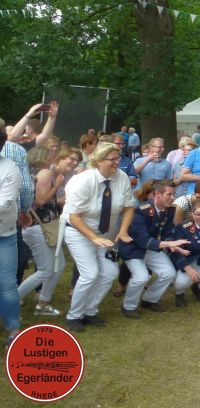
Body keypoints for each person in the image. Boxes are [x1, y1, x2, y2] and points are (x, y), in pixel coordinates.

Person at [63, 141, 135, 332]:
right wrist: (93, 238)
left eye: (118, 158)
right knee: (90, 273)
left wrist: (122, 231)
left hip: (105, 234)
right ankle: (73, 316)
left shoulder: (121, 178)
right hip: (79, 232)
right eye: (112, 159)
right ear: (99, 161)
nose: (117, 162)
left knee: (110, 272)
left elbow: (129, 207)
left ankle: (90, 311)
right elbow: (74, 217)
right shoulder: (83, 181)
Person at [18, 147, 77, 318]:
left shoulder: (34, 173)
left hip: (42, 226)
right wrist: (57, 186)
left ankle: (43, 302)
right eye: (51, 154)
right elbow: (40, 200)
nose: (53, 156)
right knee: (45, 270)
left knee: (58, 266)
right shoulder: (44, 173)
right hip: (39, 227)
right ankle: (11, 302)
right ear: (44, 156)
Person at [118, 179, 189, 317]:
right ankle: (128, 307)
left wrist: (173, 244)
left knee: (169, 273)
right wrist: (168, 244)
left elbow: (167, 233)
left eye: (173, 194)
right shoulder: (140, 211)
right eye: (169, 194)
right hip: (132, 248)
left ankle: (149, 300)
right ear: (157, 194)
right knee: (141, 277)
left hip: (151, 247)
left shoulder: (170, 209)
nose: (173, 198)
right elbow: (144, 240)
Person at [0, 127, 22, 348]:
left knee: (6, 284)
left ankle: (14, 331)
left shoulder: (9, 168)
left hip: (3, 235)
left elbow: (5, 203)